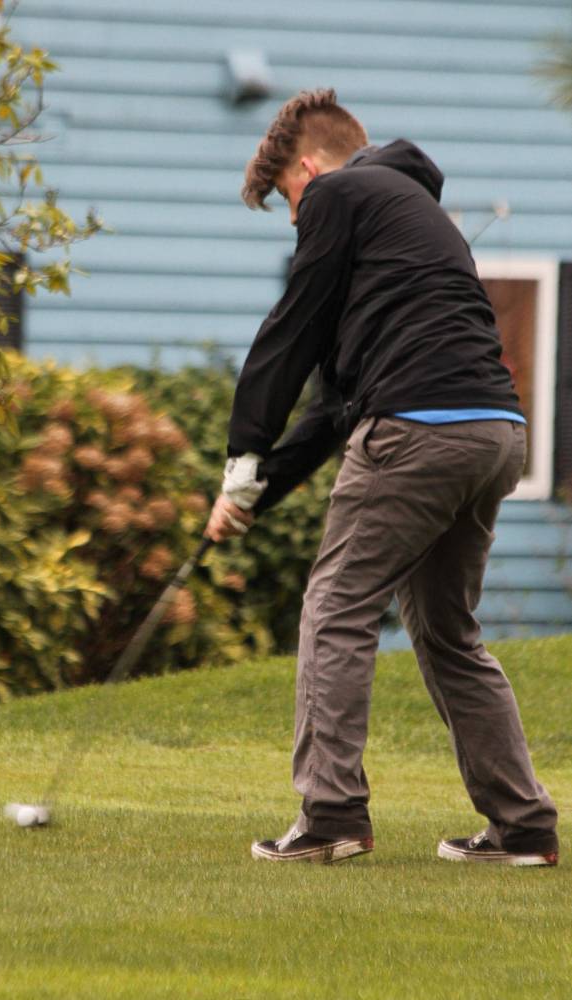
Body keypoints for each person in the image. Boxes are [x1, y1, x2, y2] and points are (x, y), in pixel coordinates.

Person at [205, 88, 558, 867]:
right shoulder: (410, 218)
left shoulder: (337, 192)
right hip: (494, 434)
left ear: (307, 168)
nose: (299, 224)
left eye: (291, 204)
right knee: (445, 630)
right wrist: (254, 488)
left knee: (335, 605)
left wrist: (237, 456)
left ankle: (330, 812)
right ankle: (523, 827)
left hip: (413, 431)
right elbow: (336, 404)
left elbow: (287, 329)